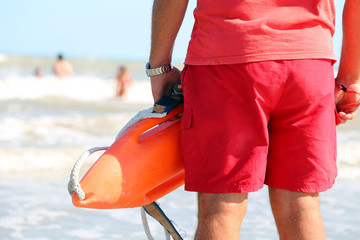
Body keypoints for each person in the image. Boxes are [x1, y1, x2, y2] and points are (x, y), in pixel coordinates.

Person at [147, 0, 360, 239]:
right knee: (301, 207)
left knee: (221, 207)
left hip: (227, 61)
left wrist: (159, 67)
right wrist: (350, 80)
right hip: (309, 66)